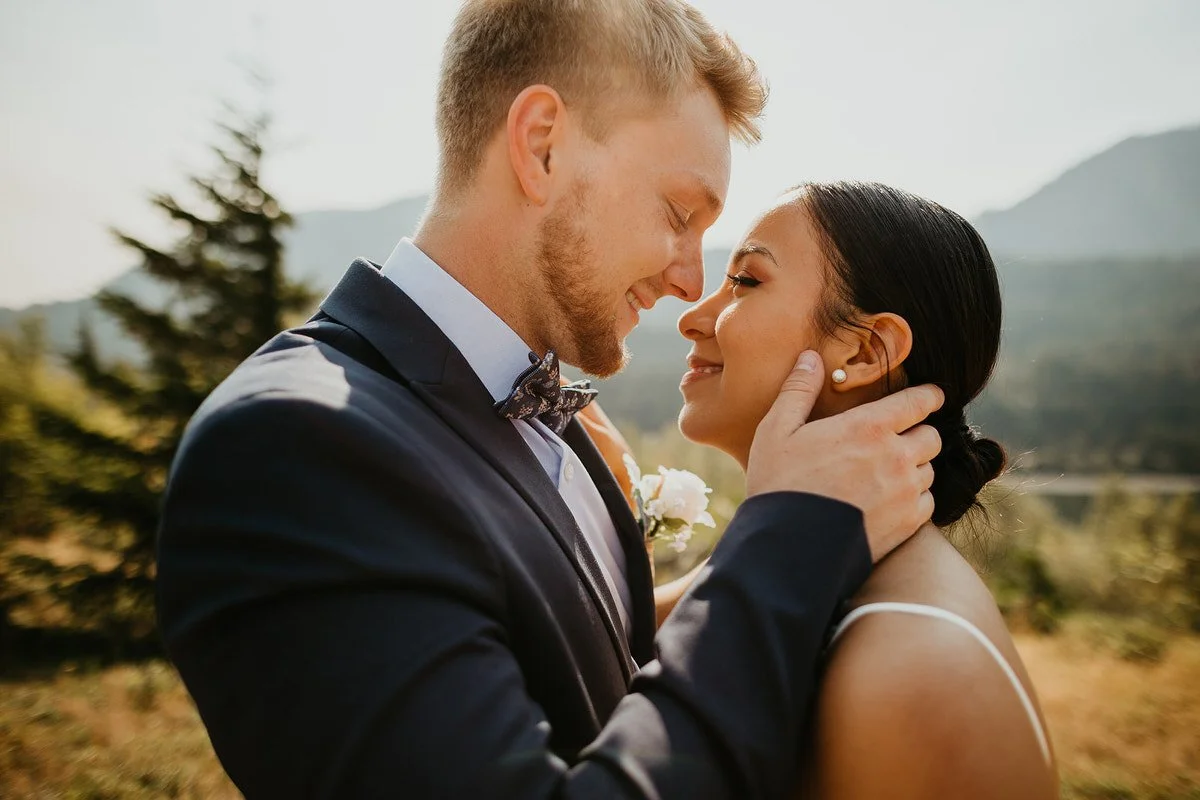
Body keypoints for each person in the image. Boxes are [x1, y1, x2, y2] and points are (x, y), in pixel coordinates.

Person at [155, 3, 944, 798]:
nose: (690, 283)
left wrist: (784, 525)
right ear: (542, 146)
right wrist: (796, 540)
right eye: (679, 216)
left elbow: (601, 659)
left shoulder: (560, 424)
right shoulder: (297, 448)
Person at [675, 181, 1060, 799]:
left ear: (862, 351)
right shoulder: (797, 569)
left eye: (745, 282)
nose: (691, 318)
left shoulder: (912, 673)